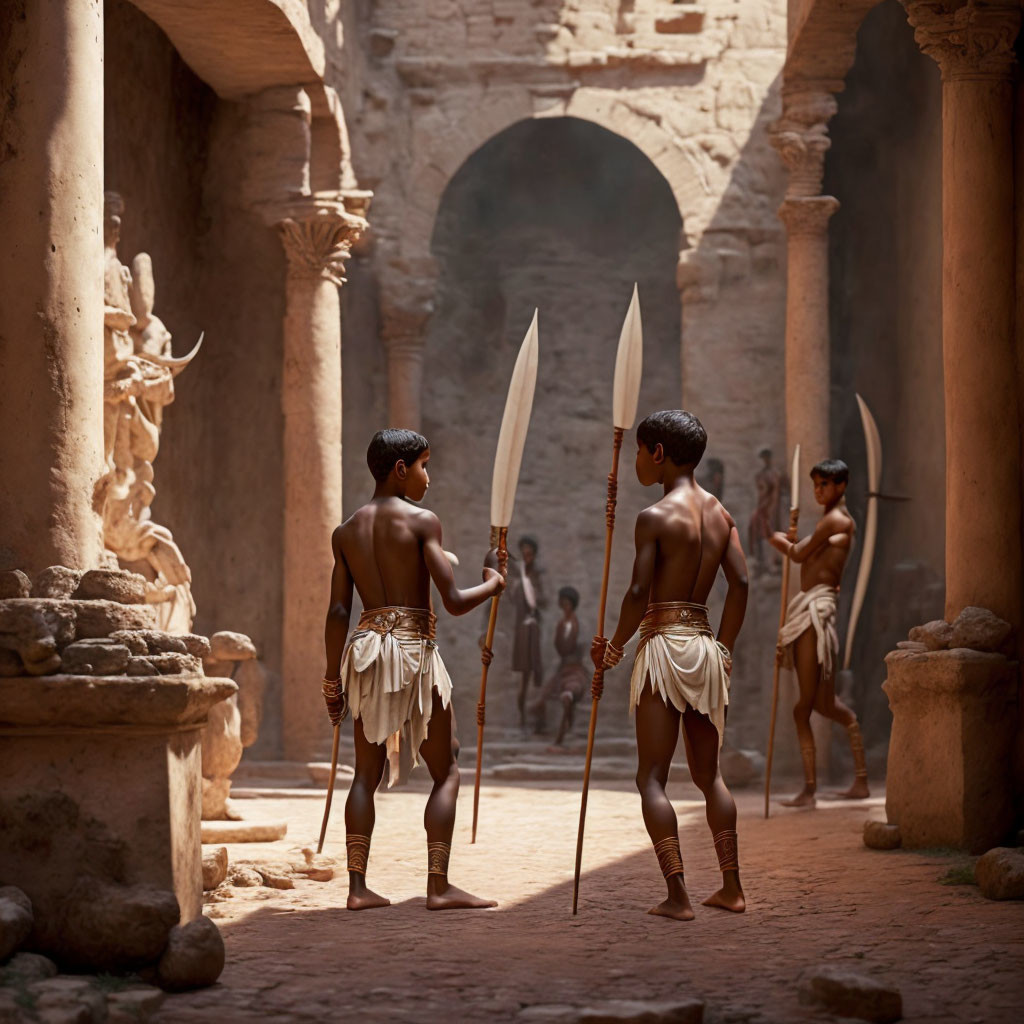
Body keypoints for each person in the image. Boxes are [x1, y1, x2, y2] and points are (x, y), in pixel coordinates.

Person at [322, 428, 505, 911]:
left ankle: (357, 889)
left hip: (363, 652)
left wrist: (330, 679)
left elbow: (338, 613)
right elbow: (453, 600)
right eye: (424, 464)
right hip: (413, 654)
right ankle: (438, 886)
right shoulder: (424, 522)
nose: (429, 475)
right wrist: (493, 580)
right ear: (400, 469)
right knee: (446, 771)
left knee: (365, 775)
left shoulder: (346, 532)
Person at [593, 410, 749, 921]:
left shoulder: (654, 518)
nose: (637, 460)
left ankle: (678, 894)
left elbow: (639, 593)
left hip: (662, 649)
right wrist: (723, 648)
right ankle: (731, 887)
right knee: (710, 776)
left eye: (640, 450)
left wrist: (612, 649)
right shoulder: (721, 515)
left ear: (657, 453)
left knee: (652, 779)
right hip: (704, 648)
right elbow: (741, 585)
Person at [769, 458, 869, 807]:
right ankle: (859, 782)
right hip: (810, 609)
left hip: (815, 613)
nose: (818, 491)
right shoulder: (834, 522)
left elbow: (797, 555)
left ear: (841, 486)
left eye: (824, 484)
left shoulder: (836, 519)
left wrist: (775, 537)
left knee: (806, 707)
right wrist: (792, 541)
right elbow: (807, 555)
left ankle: (810, 791)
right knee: (824, 704)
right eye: (815, 485)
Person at [530, 586, 589, 748]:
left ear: (572, 605)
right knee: (542, 699)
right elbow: (558, 647)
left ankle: (563, 735)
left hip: (576, 670)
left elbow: (582, 648)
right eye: (562, 604)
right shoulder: (560, 625)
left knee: (568, 694)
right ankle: (544, 729)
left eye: (567, 604)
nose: (565, 607)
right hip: (562, 670)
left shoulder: (580, 626)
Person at [509, 535, 546, 731]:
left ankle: (537, 718)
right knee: (524, 676)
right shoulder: (518, 578)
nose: (527, 556)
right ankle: (522, 717)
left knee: (536, 672)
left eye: (530, 553)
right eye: (524, 553)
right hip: (522, 630)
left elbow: (543, 600)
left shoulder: (538, 576)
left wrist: (534, 590)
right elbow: (512, 599)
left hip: (535, 628)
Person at [748, 447, 783, 575]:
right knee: (756, 530)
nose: (764, 461)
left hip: (771, 507)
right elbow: (759, 492)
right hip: (762, 506)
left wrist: (771, 508)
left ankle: (772, 562)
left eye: (766, 458)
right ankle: (760, 561)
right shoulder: (760, 474)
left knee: (770, 532)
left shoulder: (774, 474)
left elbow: (774, 492)